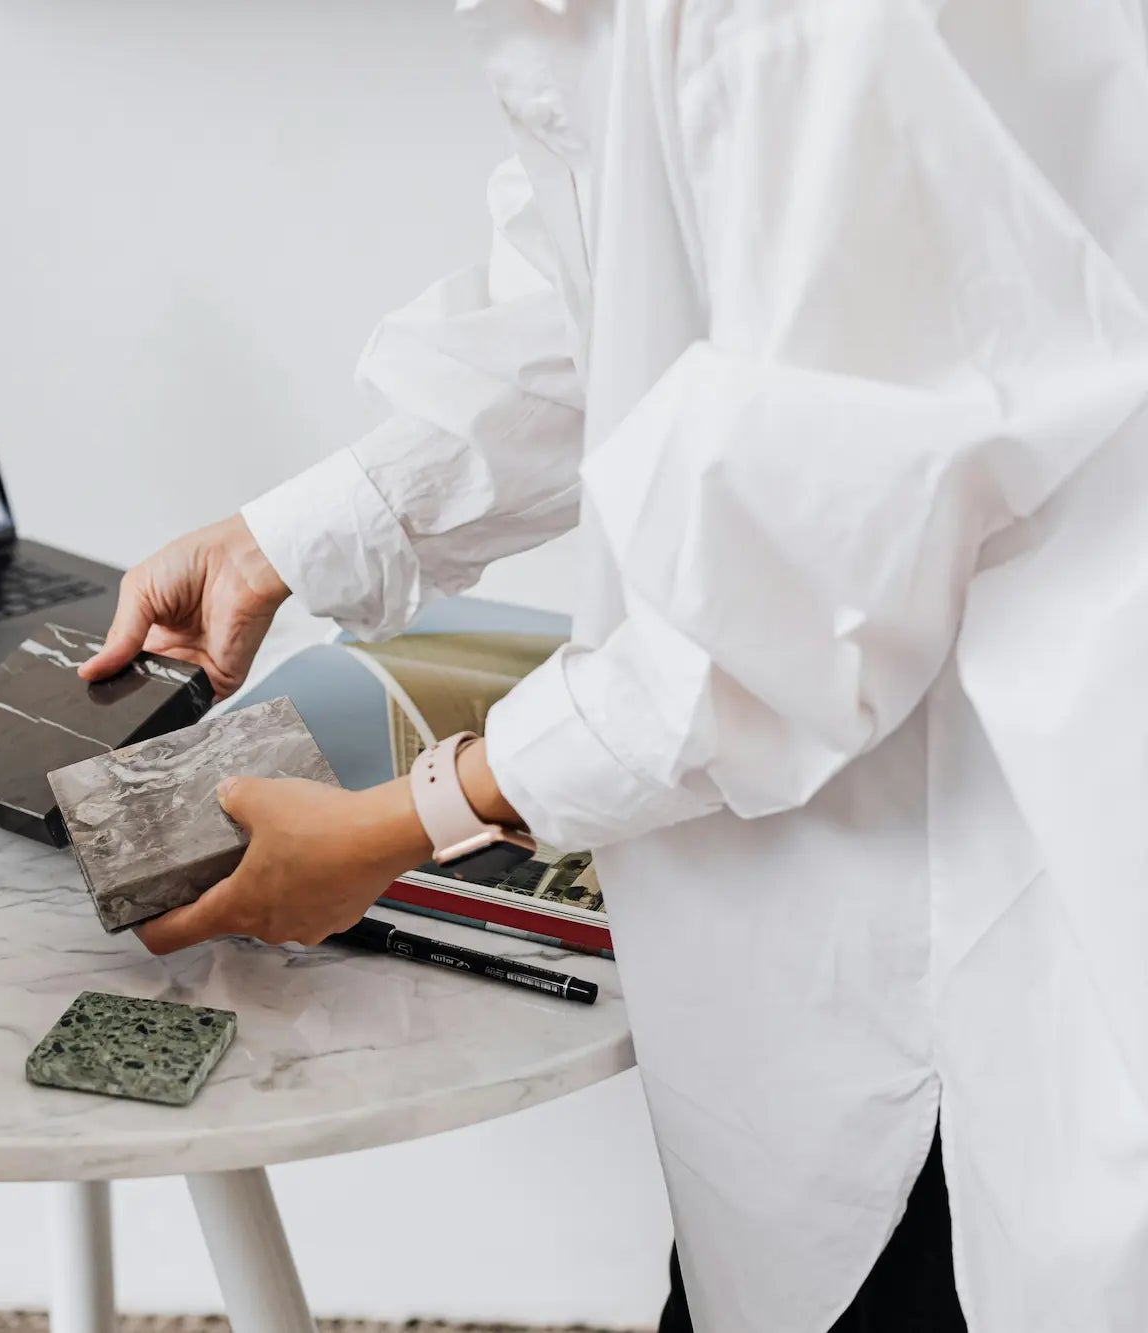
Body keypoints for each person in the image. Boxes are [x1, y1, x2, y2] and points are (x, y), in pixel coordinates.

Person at [84, 2, 1148, 1331]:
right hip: (854, 850)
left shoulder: (801, 28)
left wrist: (405, 818)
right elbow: (609, 291)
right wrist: (290, 538)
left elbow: (775, 631)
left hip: (998, 871)